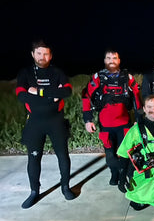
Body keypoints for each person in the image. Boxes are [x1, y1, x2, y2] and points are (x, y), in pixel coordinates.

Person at [15, 39, 76, 209]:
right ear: (33, 54)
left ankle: (65, 186)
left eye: (46, 53)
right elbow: (21, 95)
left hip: (56, 121)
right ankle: (34, 191)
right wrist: (52, 95)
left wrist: (39, 92)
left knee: (63, 155)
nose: (43, 57)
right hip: (35, 122)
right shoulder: (25, 73)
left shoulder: (57, 72)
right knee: (34, 158)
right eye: (39, 53)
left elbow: (67, 91)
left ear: (51, 55)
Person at [82, 49, 142, 192]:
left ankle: (124, 174)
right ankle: (114, 173)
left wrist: (139, 119)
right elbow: (86, 97)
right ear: (104, 61)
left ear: (119, 60)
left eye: (114, 58)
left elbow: (137, 97)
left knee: (126, 152)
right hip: (106, 125)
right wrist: (88, 120)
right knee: (110, 154)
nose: (111, 60)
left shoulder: (127, 77)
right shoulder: (98, 77)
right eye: (108, 58)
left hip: (124, 124)